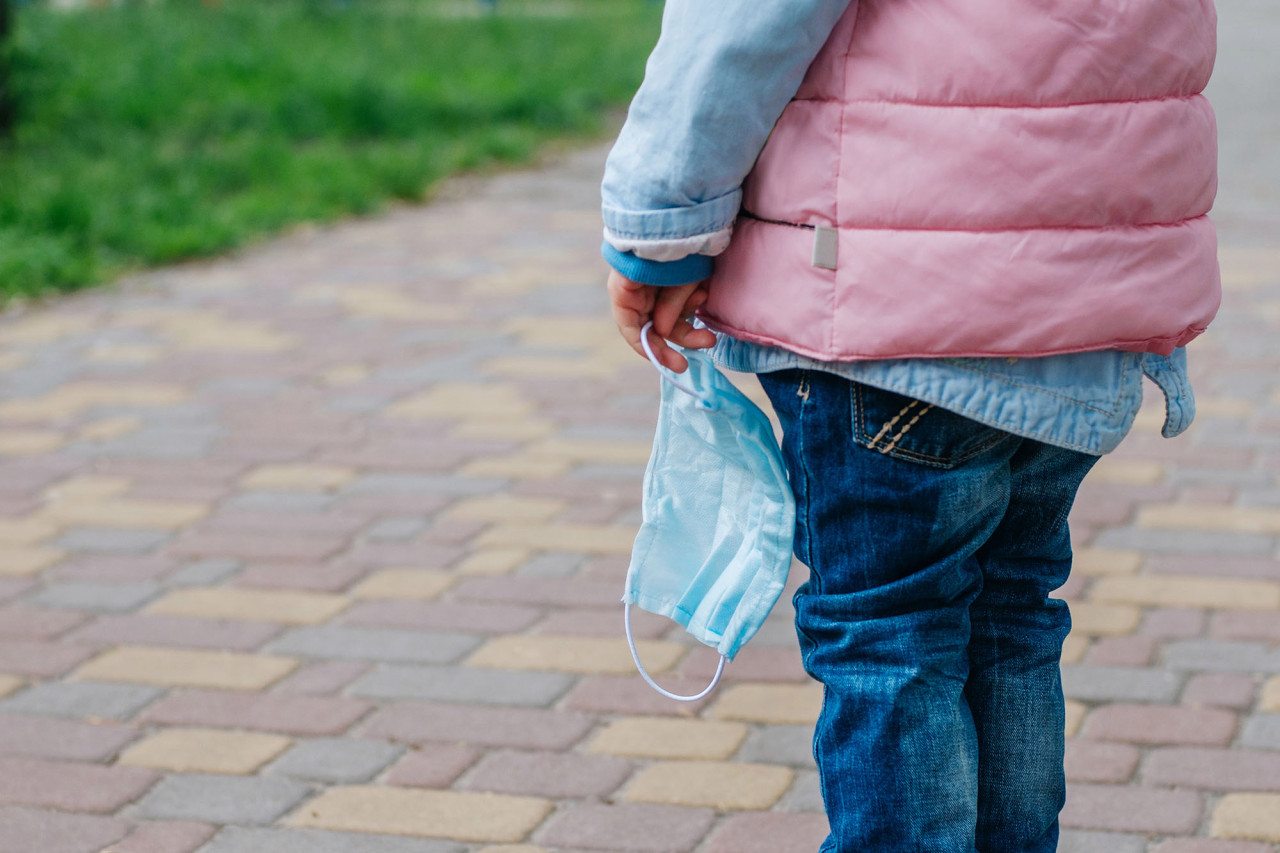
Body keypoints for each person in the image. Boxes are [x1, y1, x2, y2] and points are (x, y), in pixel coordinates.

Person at [601, 1, 1220, 851]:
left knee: (892, 639)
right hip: (1083, 304)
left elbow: (743, 22)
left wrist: (657, 229)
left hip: (885, 310)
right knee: (1010, 616)